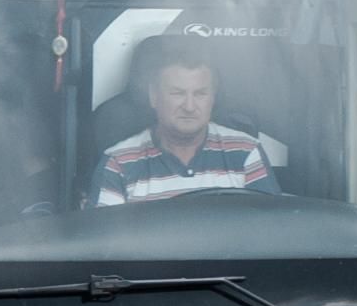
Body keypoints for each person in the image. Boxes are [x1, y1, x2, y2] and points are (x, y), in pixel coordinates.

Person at [93, 34, 285, 203]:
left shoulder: (247, 152)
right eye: (177, 93)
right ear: (154, 96)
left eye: (200, 94)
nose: (189, 106)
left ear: (213, 98)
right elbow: (105, 242)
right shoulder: (118, 163)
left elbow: (268, 234)